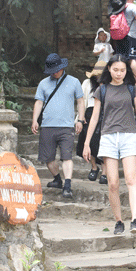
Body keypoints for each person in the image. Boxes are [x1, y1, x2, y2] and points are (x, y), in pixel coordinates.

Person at [82, 55, 136, 235]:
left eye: (122, 70)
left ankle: (135, 220)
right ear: (109, 70)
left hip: (129, 136)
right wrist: (87, 143)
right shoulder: (102, 90)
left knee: (131, 179)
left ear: (126, 71)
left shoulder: (131, 89)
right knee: (112, 183)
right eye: (115, 70)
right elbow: (95, 117)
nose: (119, 73)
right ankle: (119, 221)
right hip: (108, 137)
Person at [32, 53, 85, 198]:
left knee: (67, 156)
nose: (55, 72)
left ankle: (67, 185)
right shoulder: (43, 83)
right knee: (47, 158)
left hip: (66, 126)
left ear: (62, 67)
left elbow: (80, 101)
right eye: (52, 70)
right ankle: (57, 179)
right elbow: (38, 102)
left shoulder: (74, 82)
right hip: (47, 125)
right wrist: (35, 120)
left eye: (57, 69)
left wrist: (80, 120)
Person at [76, 60, 108, 184]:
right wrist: (80, 117)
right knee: (88, 141)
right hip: (89, 114)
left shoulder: (108, 84)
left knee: (102, 142)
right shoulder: (86, 83)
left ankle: (105, 172)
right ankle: (94, 167)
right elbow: (81, 100)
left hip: (104, 115)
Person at [109, 0, 136, 80]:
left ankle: (120, 79)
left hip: (119, 36)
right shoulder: (132, 6)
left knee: (120, 58)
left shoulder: (118, 7)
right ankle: (135, 80)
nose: (133, 0)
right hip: (131, 36)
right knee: (133, 58)